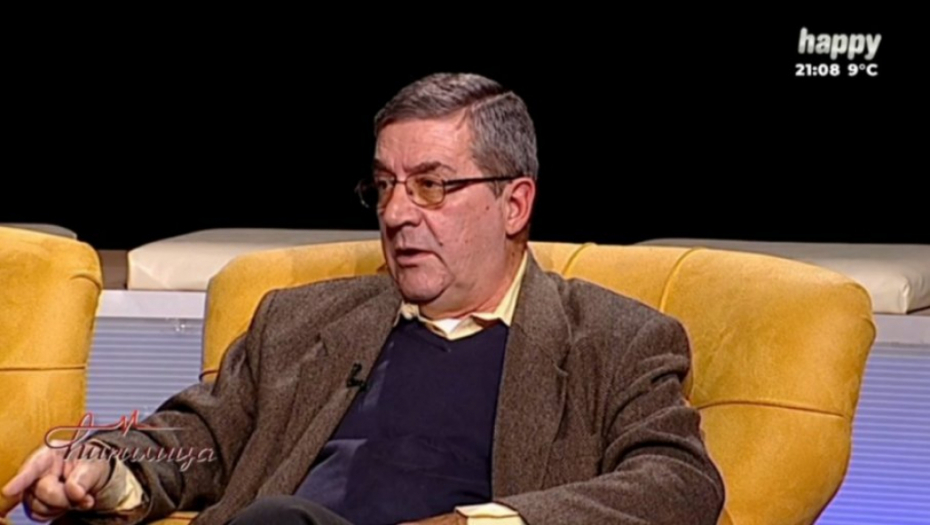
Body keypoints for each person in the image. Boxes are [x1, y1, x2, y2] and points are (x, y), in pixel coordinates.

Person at [3, 72, 725, 525]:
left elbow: (679, 481)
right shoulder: (300, 322)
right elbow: (201, 438)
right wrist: (105, 467)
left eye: (432, 185)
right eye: (384, 186)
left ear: (514, 204)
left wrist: (482, 522)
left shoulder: (613, 339)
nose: (397, 213)